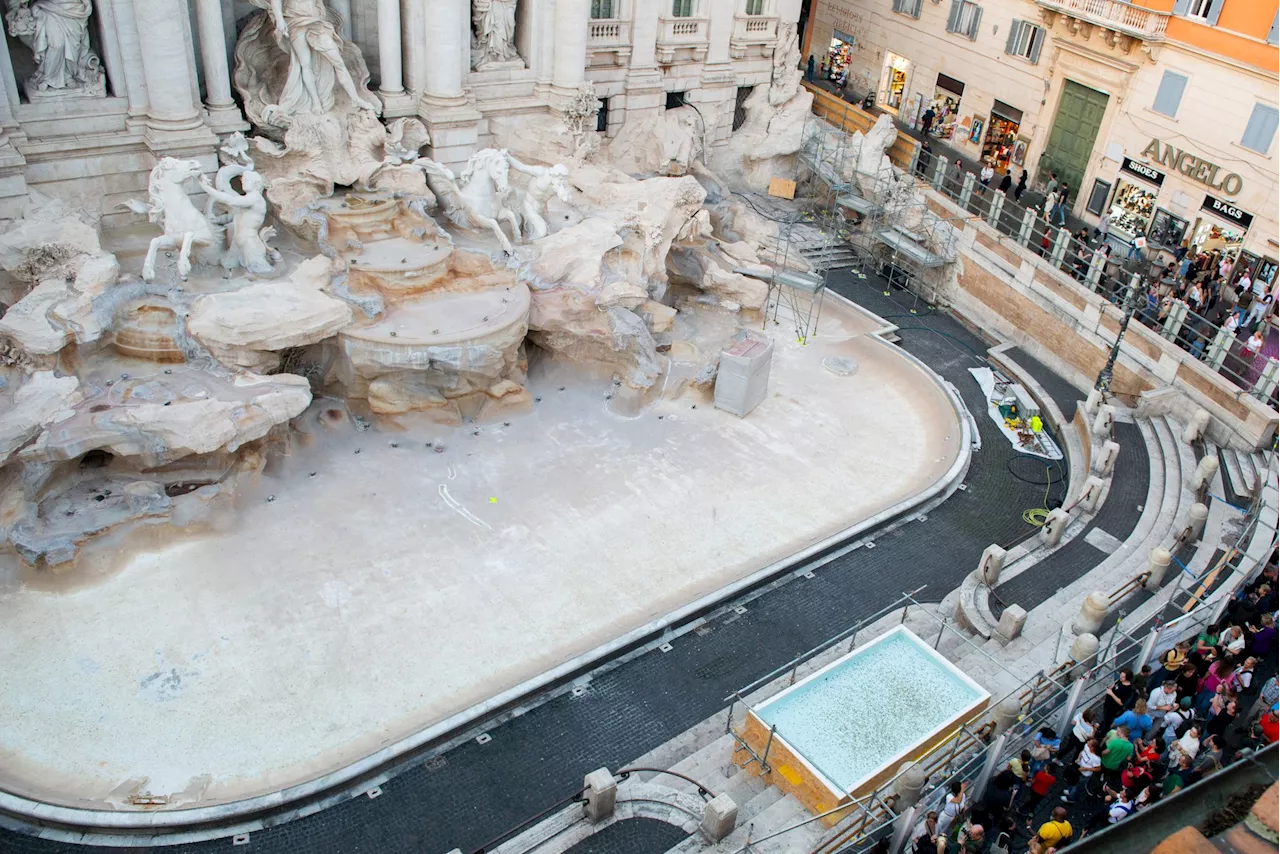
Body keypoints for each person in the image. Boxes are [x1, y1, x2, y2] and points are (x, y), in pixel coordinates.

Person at [1061, 737, 1101, 803]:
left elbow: (1098, 769)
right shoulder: (1086, 746)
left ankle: (1071, 799)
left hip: (1085, 774)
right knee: (1072, 780)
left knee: (1076, 787)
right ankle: (1069, 790)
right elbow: (1082, 752)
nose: (1087, 743)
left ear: (1093, 747)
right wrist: (1079, 758)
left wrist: (1086, 769)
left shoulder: (1096, 758)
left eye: (1089, 743)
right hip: (1078, 768)